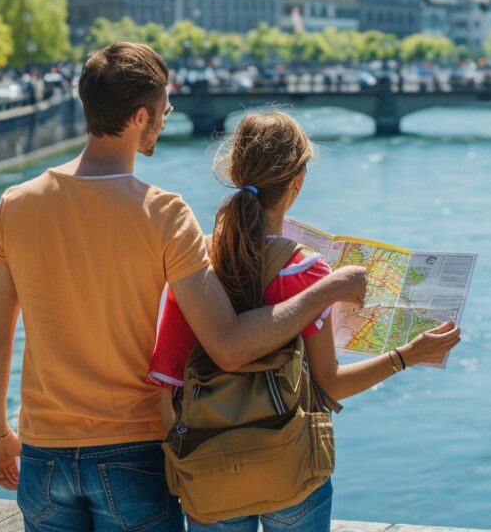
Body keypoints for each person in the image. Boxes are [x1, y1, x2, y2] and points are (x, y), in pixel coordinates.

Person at [0, 42, 367, 532]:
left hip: (42, 455)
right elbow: (226, 344)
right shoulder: (163, 214)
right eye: (164, 108)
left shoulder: (13, 206)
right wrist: (325, 290)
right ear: (141, 116)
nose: (168, 115)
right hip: (133, 454)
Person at [149, 111, 462, 532]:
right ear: (296, 183)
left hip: (209, 471)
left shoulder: (194, 269)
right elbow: (329, 385)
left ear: (235, 173)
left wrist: (184, 467)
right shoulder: (306, 273)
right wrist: (407, 355)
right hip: (290, 467)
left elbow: (165, 386)